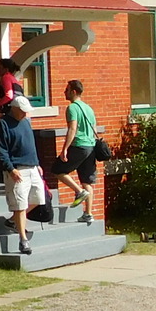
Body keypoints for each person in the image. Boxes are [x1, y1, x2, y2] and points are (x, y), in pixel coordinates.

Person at [0, 94, 46, 257]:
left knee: (38, 199)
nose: (25, 114)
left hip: (32, 167)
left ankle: (12, 221)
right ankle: (23, 240)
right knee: (20, 205)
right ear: (14, 109)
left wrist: (37, 163)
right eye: (23, 111)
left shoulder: (26, 122)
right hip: (17, 169)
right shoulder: (3, 124)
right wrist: (10, 168)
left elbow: (31, 144)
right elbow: (1, 149)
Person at [61, 76, 99, 210]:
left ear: (74, 92)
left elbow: (72, 128)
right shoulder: (89, 109)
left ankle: (79, 191)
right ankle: (88, 214)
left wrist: (65, 149)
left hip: (79, 145)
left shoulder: (72, 108)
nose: (64, 92)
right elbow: (94, 129)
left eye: (67, 90)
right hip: (91, 147)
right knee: (86, 181)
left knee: (58, 170)